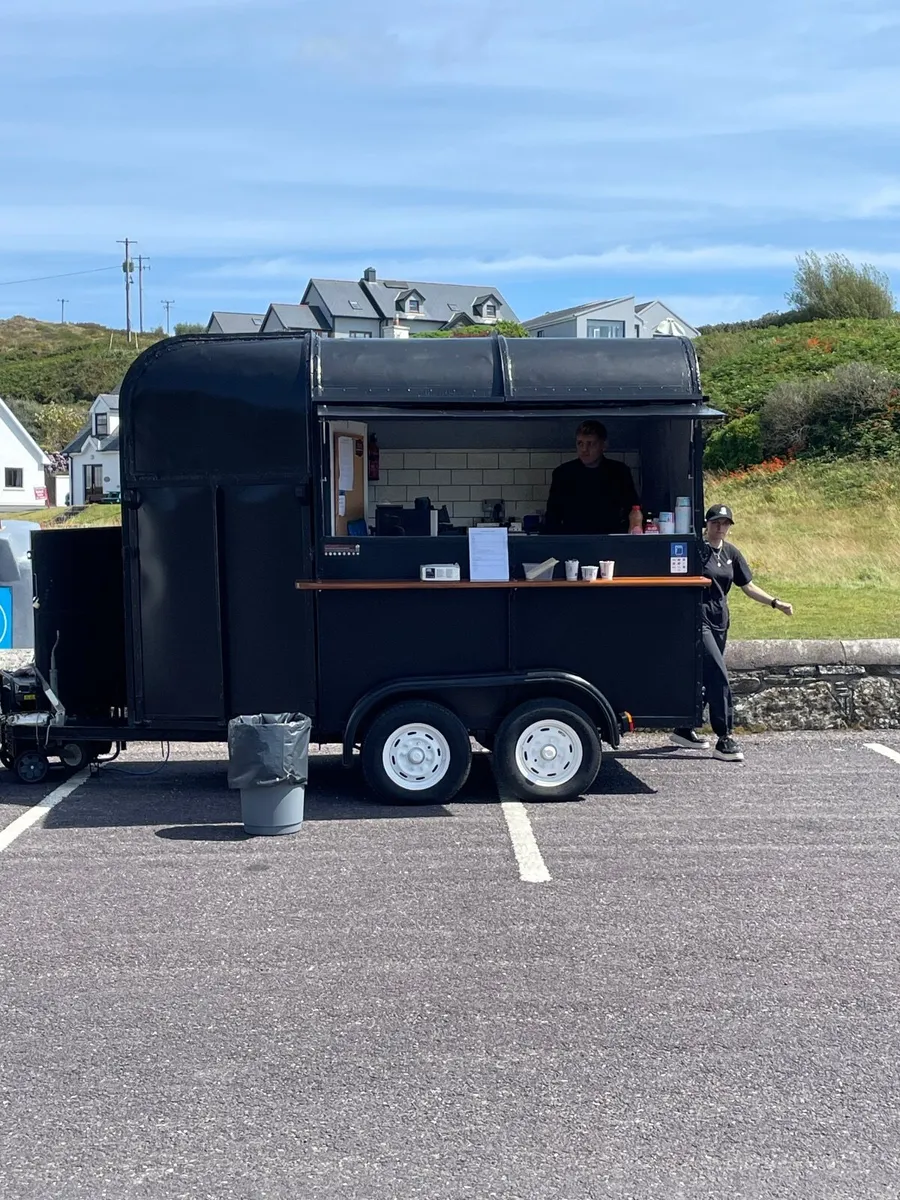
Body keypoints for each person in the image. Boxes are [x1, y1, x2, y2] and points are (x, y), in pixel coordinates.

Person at [671, 504, 794, 762]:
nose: (720, 527)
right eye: (716, 522)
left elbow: (747, 586)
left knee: (705, 676)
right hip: (697, 620)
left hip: (720, 620)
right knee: (718, 674)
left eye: (725, 523)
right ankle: (724, 737)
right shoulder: (696, 550)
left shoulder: (730, 553)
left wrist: (775, 602)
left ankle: (684, 728)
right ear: (706, 524)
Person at [544, 420, 643, 535]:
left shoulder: (619, 472)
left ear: (604, 445)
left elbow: (633, 508)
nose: (584, 450)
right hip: (573, 540)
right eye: (580, 443)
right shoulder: (563, 474)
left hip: (609, 539)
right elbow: (552, 516)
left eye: (591, 444)